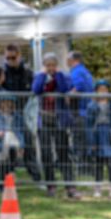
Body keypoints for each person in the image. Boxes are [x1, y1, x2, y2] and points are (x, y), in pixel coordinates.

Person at [32, 53, 78, 198]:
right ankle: (50, 185)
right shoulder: (39, 76)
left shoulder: (63, 76)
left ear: (57, 65)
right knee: (46, 154)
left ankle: (70, 186)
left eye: (53, 65)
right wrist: (42, 75)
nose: (50, 68)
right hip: (43, 120)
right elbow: (36, 90)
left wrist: (57, 75)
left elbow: (64, 89)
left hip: (59, 120)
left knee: (63, 153)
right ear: (44, 66)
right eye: (48, 65)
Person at [2, 45, 40, 181]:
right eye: (8, 58)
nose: (10, 60)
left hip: (25, 114)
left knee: (29, 146)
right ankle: (8, 177)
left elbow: (36, 91)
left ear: (19, 56)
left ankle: (36, 177)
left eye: (13, 57)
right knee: (9, 146)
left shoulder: (28, 73)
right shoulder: (3, 73)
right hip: (9, 114)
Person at [85, 80, 111, 199]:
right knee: (99, 163)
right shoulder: (91, 106)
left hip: (109, 134)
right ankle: (98, 188)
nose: (103, 92)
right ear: (96, 91)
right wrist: (91, 142)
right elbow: (89, 125)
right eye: (100, 89)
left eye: (105, 89)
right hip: (97, 134)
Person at [67, 51, 95, 174]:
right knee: (86, 140)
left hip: (80, 111)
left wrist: (68, 95)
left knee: (79, 140)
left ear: (73, 60)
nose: (67, 62)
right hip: (87, 111)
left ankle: (82, 168)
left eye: (68, 59)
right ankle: (88, 167)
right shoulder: (86, 71)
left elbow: (77, 88)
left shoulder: (76, 71)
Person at [0, 97, 24, 192]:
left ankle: (7, 183)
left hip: (12, 143)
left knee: (9, 141)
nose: (7, 105)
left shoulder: (17, 116)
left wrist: (22, 146)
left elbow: (20, 132)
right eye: (4, 103)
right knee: (1, 159)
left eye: (9, 103)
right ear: (0, 104)